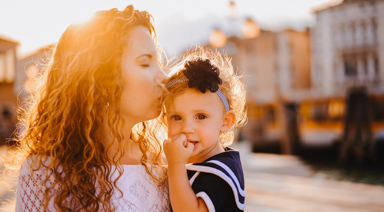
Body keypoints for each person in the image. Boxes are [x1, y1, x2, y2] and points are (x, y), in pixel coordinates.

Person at [15, 5, 170, 211]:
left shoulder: (162, 165)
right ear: (102, 80)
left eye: (157, 62)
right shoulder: (45, 173)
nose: (164, 77)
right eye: (145, 63)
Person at [163, 49, 247, 212]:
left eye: (201, 116)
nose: (187, 128)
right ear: (165, 121)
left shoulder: (220, 173)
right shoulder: (208, 164)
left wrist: (175, 163)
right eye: (177, 117)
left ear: (225, 121)